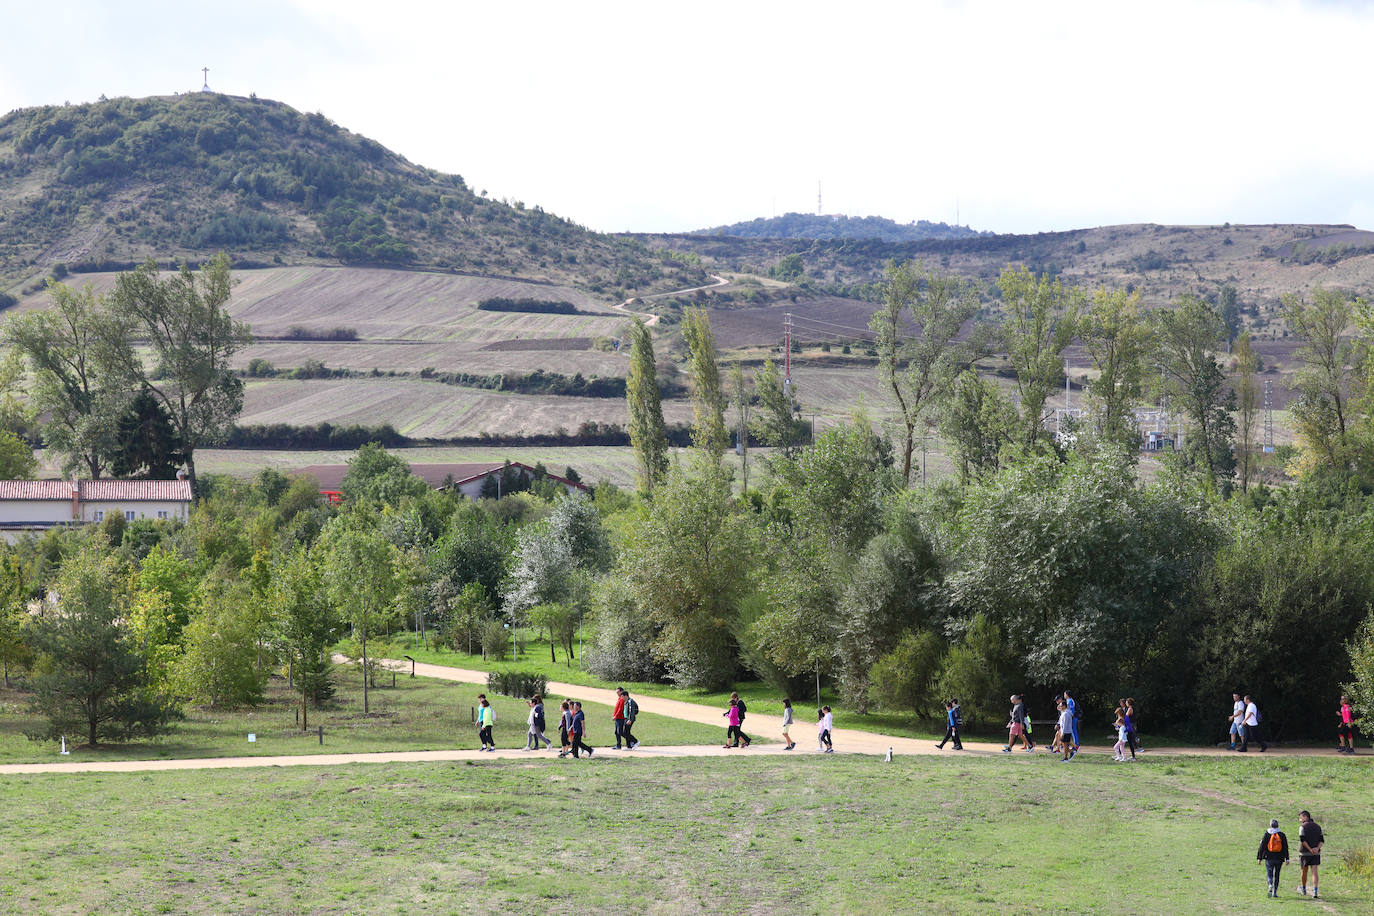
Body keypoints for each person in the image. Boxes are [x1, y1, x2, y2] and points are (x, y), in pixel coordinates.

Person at [1257, 818, 1290, 897]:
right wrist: (1287, 858)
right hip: (1279, 858)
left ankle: (1270, 884)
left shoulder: (1267, 834)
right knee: (1277, 874)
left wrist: (1259, 857)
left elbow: (1262, 846)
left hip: (1269, 857)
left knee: (1270, 873)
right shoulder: (1282, 835)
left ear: (1270, 825)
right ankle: (1274, 892)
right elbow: (1285, 847)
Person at [1297, 810, 1323, 898]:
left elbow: (1302, 840)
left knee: (1304, 871)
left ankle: (1303, 889)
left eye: (1300, 817)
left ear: (1305, 817)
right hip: (1316, 853)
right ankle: (1315, 891)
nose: (1300, 820)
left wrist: (1309, 849)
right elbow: (1321, 840)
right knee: (1314, 872)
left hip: (1304, 853)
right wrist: (1317, 848)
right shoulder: (1318, 827)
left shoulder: (1302, 827)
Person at [1063, 689, 1080, 758]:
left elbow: (1071, 710)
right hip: (1072, 717)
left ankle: (1076, 745)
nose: (1064, 695)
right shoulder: (1069, 700)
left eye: (1064, 694)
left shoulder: (1069, 701)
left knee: (1073, 731)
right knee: (1072, 731)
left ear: (1067, 695)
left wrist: (1070, 717)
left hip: (1072, 718)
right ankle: (1074, 744)